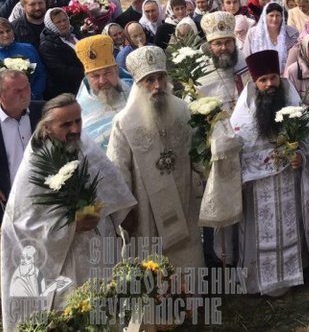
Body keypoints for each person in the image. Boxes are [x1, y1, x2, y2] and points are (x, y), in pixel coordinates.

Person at [1, 94, 136, 330]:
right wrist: (71, 226)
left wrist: (120, 214)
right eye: (66, 124)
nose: (75, 129)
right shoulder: (36, 161)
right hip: (65, 260)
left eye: (78, 121)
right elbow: (21, 223)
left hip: (98, 248)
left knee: (106, 312)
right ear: (48, 127)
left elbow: (109, 181)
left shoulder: (85, 146)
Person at [106, 45, 205, 269]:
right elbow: (117, 170)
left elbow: (198, 152)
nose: (157, 86)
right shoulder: (124, 122)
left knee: (186, 257)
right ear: (138, 85)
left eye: (161, 78)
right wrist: (125, 213)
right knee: (152, 265)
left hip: (183, 196)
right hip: (145, 208)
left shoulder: (183, 109)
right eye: (149, 80)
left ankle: (190, 301)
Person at [225, 49, 309, 296]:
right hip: (257, 187)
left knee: (289, 226)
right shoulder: (243, 112)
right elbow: (237, 148)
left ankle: (291, 276)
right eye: (263, 80)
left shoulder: (291, 102)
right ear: (255, 83)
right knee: (258, 233)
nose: (270, 84)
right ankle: (258, 282)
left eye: (273, 78)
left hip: (288, 182)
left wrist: (300, 157)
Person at [75, 35, 131, 152]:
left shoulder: (135, 92)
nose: (102, 81)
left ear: (116, 70)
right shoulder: (78, 111)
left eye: (107, 73)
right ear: (87, 78)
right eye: (95, 76)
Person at [0, 70, 43, 203]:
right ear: (2, 95)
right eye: (17, 91)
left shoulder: (44, 112)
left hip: (45, 195)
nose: (25, 94)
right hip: (8, 200)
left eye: (27, 87)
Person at [197, 11, 250, 111]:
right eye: (218, 43)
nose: (224, 47)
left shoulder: (244, 61)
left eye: (228, 42)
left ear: (234, 43)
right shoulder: (200, 70)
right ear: (210, 47)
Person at [39, 8, 83, 100]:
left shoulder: (75, 33)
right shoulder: (47, 45)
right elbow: (60, 71)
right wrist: (87, 72)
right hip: (69, 90)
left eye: (65, 20)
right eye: (58, 22)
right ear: (51, 25)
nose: (63, 24)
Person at [243, 2, 299, 73]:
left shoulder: (293, 34)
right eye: (271, 15)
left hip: (286, 75)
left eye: (277, 15)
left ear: (282, 17)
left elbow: (296, 60)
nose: (274, 19)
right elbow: (247, 56)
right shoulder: (253, 33)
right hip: (261, 76)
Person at [0, 18, 46, 100]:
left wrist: (32, 94)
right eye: (1, 33)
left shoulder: (28, 48)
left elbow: (40, 74)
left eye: (8, 30)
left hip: (33, 100)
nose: (6, 35)